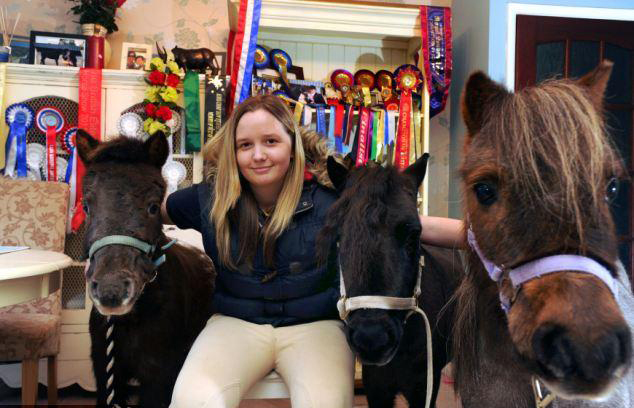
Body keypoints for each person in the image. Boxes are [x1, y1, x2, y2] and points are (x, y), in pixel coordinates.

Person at [165, 95, 355, 408]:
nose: (258, 155)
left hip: (316, 326)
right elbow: (145, 212)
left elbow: (397, 221)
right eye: (245, 145)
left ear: (292, 147)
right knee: (191, 401)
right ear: (233, 152)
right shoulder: (210, 198)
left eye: (270, 141)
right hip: (236, 323)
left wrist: (466, 235)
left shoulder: (332, 197)